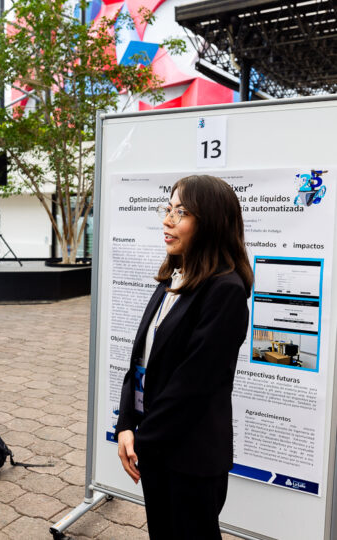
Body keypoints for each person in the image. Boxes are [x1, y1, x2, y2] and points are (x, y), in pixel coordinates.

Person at [115, 175, 252, 540]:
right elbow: (140, 361)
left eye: (181, 212)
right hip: (156, 446)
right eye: (168, 209)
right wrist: (126, 423)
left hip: (191, 457)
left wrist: (142, 439)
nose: (167, 220)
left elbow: (194, 385)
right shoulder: (171, 280)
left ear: (211, 222)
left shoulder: (225, 290)